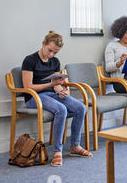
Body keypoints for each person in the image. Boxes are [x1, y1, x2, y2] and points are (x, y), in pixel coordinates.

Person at [22, 31, 91, 167]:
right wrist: (51, 85)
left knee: (80, 108)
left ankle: (75, 146)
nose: (51, 55)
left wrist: (62, 91)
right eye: (50, 50)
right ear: (43, 44)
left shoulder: (55, 61)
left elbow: (56, 84)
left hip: (51, 94)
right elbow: (28, 87)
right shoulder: (29, 60)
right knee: (61, 109)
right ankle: (57, 151)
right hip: (34, 97)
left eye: (55, 52)